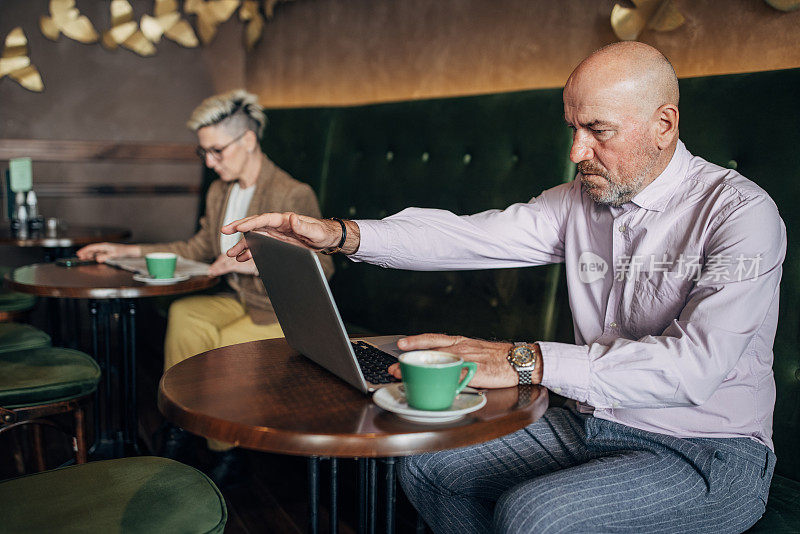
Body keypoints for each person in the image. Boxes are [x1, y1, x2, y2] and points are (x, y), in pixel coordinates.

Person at [222, 42, 784, 533]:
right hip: (590, 423)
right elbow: (465, 237)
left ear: (665, 124)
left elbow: (692, 368)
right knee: (425, 467)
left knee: (536, 515)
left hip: (708, 452)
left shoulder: (739, 213)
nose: (576, 152)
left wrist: (525, 360)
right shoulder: (580, 199)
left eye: (598, 131)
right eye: (573, 128)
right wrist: (337, 235)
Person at [77, 89, 334, 488]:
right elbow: (195, 248)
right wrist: (125, 251)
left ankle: (226, 451)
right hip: (239, 300)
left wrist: (255, 262)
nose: (210, 162)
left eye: (217, 151)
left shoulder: (291, 193)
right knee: (185, 314)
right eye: (205, 153)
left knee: (226, 342)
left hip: (283, 311)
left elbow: (325, 267)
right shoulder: (221, 191)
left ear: (248, 141)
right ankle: (180, 431)